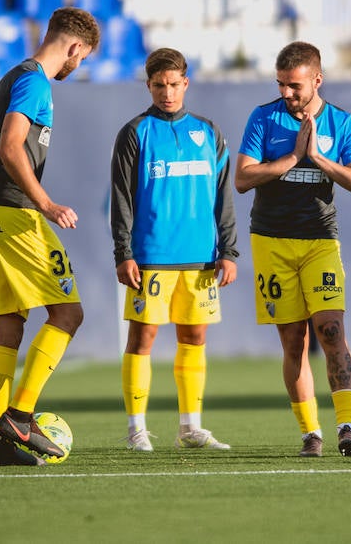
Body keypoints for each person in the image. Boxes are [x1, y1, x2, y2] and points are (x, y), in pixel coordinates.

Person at [0, 7, 100, 467]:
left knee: (8, 326)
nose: (76, 68)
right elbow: (10, 146)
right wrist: (46, 203)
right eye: (80, 60)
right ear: (75, 47)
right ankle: (21, 416)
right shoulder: (34, 81)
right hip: (14, 215)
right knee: (68, 313)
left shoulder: (13, 77)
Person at [235, 41, 351, 457]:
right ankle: (311, 434)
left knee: (330, 330)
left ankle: (347, 427)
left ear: (317, 79)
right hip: (271, 241)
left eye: (294, 86)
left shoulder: (341, 123)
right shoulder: (263, 118)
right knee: (294, 341)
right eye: (280, 85)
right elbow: (242, 179)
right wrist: (295, 158)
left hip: (319, 241)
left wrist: (318, 158)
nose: (287, 94)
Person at [111, 47, 239, 452]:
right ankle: (136, 429)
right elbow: (121, 198)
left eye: (173, 85)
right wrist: (123, 252)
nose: (167, 93)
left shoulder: (209, 132)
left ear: (186, 83)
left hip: (200, 257)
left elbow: (223, 196)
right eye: (158, 86)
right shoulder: (135, 133)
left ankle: (190, 427)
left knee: (195, 338)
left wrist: (229, 251)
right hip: (150, 255)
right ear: (148, 86)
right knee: (143, 338)